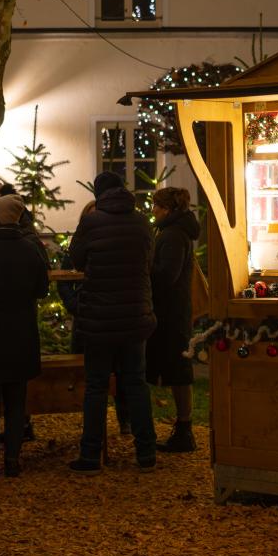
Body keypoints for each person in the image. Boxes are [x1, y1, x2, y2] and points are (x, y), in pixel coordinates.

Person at [67, 171, 157, 474]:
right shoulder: (142, 222)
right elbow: (149, 261)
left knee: (96, 386)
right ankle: (146, 453)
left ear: (98, 193)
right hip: (135, 314)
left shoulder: (91, 222)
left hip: (99, 318)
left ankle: (91, 456)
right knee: (136, 382)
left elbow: (77, 259)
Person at [0, 195, 49, 478]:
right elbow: (42, 289)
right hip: (21, 332)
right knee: (17, 401)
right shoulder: (31, 250)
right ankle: (13, 459)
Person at [145, 187, 200, 453]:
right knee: (178, 370)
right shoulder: (175, 233)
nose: (153, 210)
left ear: (167, 209)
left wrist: (146, 267)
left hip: (171, 313)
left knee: (179, 371)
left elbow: (167, 275)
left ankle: (184, 430)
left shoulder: (173, 235)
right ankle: (183, 428)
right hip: (174, 311)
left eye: (156, 206)